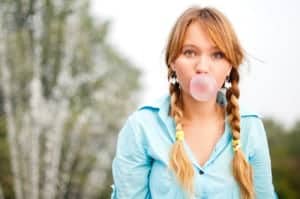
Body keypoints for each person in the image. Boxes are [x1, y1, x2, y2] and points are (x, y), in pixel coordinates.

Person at [110, 6, 277, 199]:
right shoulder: (141, 127)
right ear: (172, 61)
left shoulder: (251, 126)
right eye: (190, 53)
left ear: (230, 66)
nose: (202, 67)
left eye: (217, 55)